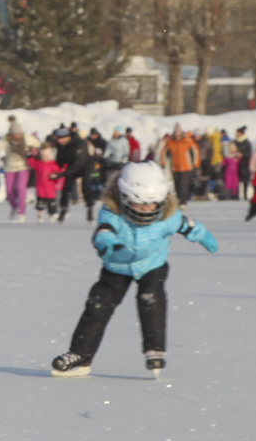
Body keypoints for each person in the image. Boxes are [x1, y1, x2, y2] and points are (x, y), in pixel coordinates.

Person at [51, 162, 217, 379]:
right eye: (140, 205)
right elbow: (104, 230)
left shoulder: (168, 216)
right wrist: (106, 243)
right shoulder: (113, 212)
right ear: (125, 198)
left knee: (150, 299)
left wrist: (205, 238)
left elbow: (189, 226)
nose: (147, 209)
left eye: (152, 204)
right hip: (117, 266)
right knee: (97, 306)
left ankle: (155, 350)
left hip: (152, 264)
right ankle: (80, 355)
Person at [0, 117, 38, 222]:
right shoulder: (6, 140)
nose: (17, 136)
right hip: (10, 167)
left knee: (21, 188)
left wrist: (35, 153)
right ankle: (15, 207)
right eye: (15, 134)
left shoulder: (26, 137)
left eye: (19, 133)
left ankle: (21, 212)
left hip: (23, 166)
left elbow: (38, 145)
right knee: (9, 192)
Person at [161, 125, 199, 206]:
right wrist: (163, 162)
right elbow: (164, 152)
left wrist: (196, 164)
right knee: (177, 184)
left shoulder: (187, 141)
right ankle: (178, 200)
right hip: (175, 167)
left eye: (179, 134)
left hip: (186, 167)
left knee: (183, 184)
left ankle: (183, 201)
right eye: (176, 134)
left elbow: (195, 151)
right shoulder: (171, 142)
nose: (178, 136)